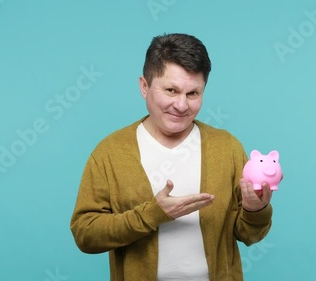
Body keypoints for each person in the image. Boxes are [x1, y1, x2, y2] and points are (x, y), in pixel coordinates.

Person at [70, 33, 276, 281]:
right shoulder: (110, 153)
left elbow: (249, 235)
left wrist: (257, 210)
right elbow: (85, 234)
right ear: (144, 86)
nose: (181, 105)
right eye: (171, 90)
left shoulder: (227, 147)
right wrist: (152, 214)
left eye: (193, 94)